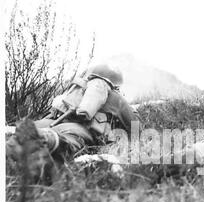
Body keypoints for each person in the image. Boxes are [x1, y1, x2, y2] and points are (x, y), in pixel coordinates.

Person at [6, 63, 140, 183]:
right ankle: (46, 139)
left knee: (25, 133)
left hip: (52, 122)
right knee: (66, 142)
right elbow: (136, 127)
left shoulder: (76, 89)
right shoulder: (115, 97)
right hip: (78, 130)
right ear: (116, 84)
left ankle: (15, 144)